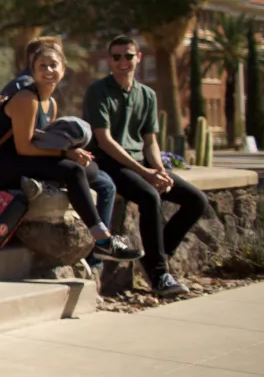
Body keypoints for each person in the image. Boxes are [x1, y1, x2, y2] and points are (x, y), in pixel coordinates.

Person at [0, 40, 142, 264]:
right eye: (42, 66)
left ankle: (99, 237)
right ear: (33, 70)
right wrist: (66, 155)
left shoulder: (51, 103)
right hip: (5, 165)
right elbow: (23, 147)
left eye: (53, 65)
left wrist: (73, 150)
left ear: (63, 70)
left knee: (92, 169)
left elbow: (46, 141)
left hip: (27, 159)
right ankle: (103, 241)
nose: (48, 70)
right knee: (73, 170)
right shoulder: (26, 99)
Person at [83, 35, 208, 297]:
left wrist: (159, 169)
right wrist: (145, 174)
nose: (122, 62)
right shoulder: (98, 91)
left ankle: (156, 256)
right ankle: (159, 275)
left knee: (196, 200)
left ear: (138, 58)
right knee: (150, 196)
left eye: (128, 56)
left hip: (139, 163)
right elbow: (104, 141)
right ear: (110, 60)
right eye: (116, 57)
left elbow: (150, 140)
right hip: (109, 163)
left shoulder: (147, 95)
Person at [0, 35, 63, 100]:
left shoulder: (41, 88)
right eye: (52, 54)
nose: (61, 58)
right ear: (33, 58)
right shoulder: (25, 88)